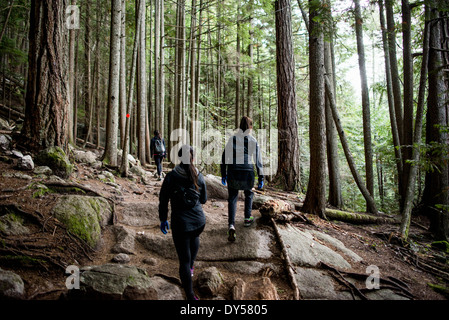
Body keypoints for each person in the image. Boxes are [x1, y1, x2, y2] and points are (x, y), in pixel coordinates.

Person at [159, 145, 207, 300]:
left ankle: (190, 295)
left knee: (183, 261)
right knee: (194, 239)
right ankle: (192, 266)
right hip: (199, 221)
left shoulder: (171, 176)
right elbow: (204, 199)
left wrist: (163, 219)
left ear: (180, 158)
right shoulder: (198, 175)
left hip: (181, 223)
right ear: (192, 158)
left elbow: (163, 200)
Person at [221, 116, 264, 242]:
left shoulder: (232, 139)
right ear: (250, 127)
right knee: (249, 193)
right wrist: (261, 177)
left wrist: (223, 174)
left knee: (233, 197)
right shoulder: (253, 140)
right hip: (247, 170)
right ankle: (247, 218)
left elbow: (224, 158)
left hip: (233, 170)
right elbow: (258, 160)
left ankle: (231, 225)